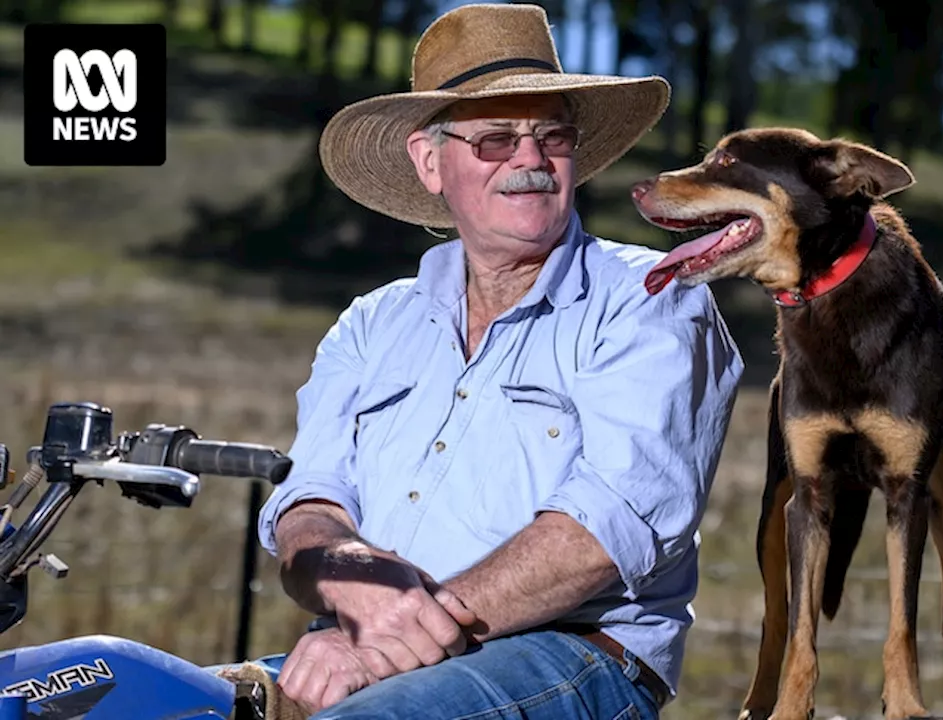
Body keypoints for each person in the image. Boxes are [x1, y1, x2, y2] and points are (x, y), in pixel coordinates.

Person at [247, 3, 744, 719]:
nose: (531, 160)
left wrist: (395, 638)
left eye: (553, 136)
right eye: (496, 139)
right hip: (366, 646)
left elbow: (603, 533)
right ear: (429, 162)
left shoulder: (647, 300)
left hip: (573, 653)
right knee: (135, 697)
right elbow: (310, 500)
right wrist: (342, 572)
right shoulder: (373, 323)